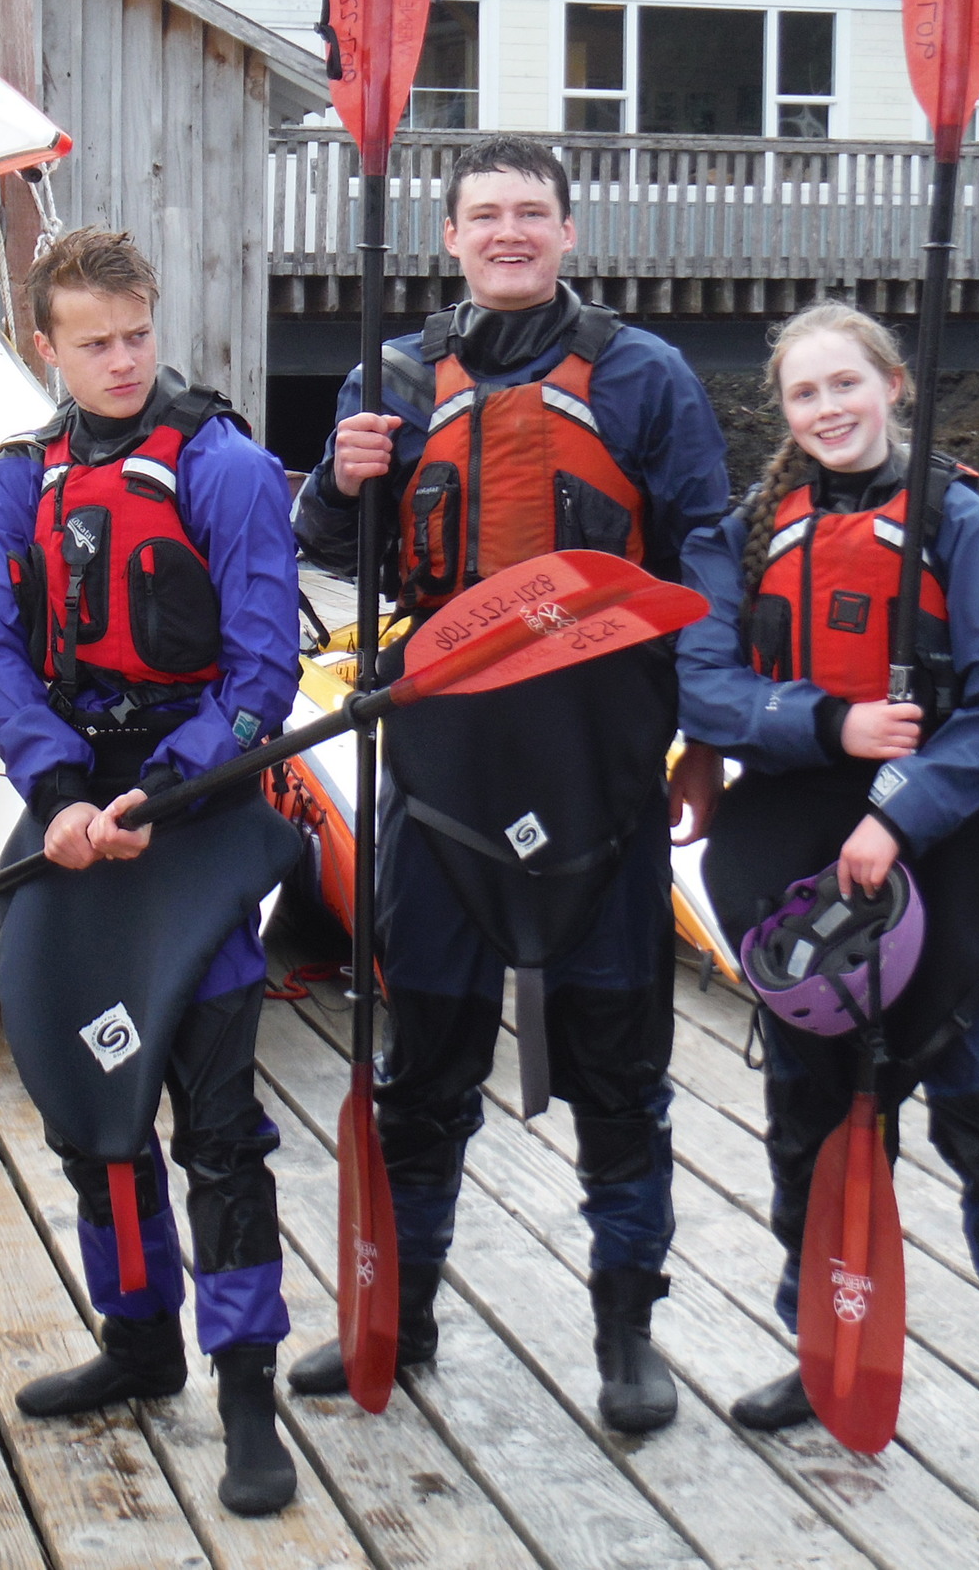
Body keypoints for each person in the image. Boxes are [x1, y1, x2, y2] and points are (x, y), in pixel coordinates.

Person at [667, 302, 979, 1495]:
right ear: (782, 411)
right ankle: (821, 1346)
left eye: (848, 385)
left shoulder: (959, 522)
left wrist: (897, 811)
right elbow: (703, 687)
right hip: (802, 846)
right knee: (815, 1129)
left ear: (893, 385)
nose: (828, 409)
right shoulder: (743, 534)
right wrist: (825, 723)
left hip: (949, 845)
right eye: (803, 394)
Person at [288, 135, 731, 1433]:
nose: (510, 231)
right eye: (486, 213)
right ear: (452, 236)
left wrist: (705, 727)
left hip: (598, 759)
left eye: (532, 211)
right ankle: (400, 1314)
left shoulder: (646, 377)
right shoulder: (394, 375)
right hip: (443, 765)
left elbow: (704, 552)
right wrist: (338, 479)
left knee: (616, 1065)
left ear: (568, 231)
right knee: (419, 1060)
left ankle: (625, 1333)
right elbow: (324, 544)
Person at [0, 228, 304, 1516]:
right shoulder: (18, 481)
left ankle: (244, 1388)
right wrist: (56, 792)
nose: (118, 362)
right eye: (90, 342)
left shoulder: (222, 466)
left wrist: (159, 792)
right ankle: (137, 1339)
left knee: (218, 1132)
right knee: (88, 1110)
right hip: (71, 818)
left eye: (135, 336)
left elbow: (262, 671)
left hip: (192, 818)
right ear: (43, 345)